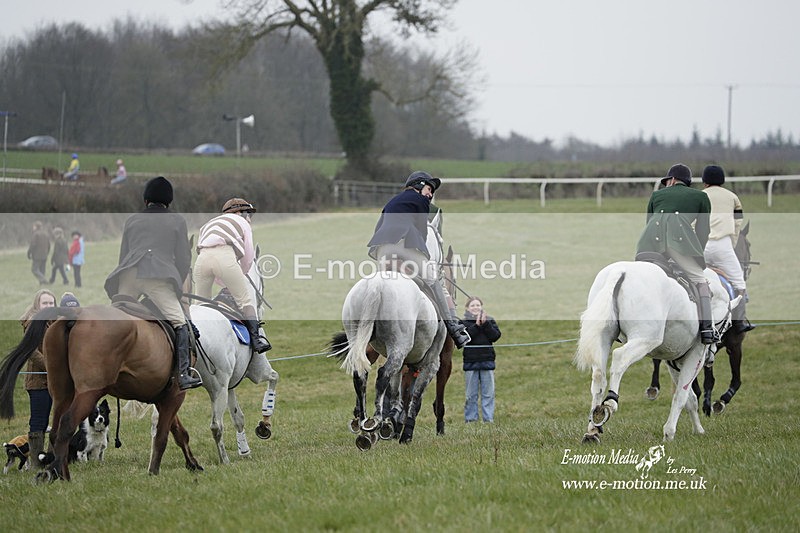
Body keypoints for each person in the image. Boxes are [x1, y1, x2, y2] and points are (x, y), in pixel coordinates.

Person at [104, 176, 201, 390]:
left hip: (129, 274)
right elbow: (183, 259)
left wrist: (124, 276)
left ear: (146, 199)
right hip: (156, 277)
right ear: (168, 201)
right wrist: (176, 283)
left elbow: (123, 255)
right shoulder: (177, 221)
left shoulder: (132, 220)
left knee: (114, 318)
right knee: (180, 322)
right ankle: (183, 374)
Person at [367, 171, 470, 349]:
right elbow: (421, 230)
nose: (430, 195)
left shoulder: (391, 201)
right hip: (404, 244)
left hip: (382, 248)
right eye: (429, 189)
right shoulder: (421, 201)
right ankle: (453, 327)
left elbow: (378, 227)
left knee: (382, 282)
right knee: (434, 281)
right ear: (419, 185)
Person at [636, 163, 716, 344]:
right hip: (680, 245)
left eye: (666, 182)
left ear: (672, 180)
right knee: (700, 280)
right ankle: (707, 329)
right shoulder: (701, 197)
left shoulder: (656, 195)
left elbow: (649, 222)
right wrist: (695, 252)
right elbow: (703, 231)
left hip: (648, 244)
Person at [194, 197, 271, 353]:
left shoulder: (209, 223)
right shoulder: (243, 223)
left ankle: (195, 344)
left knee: (200, 306)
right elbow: (248, 256)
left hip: (201, 259)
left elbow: (201, 249)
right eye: (248, 214)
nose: (249, 218)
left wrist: (222, 278)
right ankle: (257, 341)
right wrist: (239, 275)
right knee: (245, 300)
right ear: (239, 212)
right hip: (225, 256)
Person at [701, 165, 755, 333]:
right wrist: (731, 243)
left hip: (701, 245)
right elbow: (738, 223)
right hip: (722, 246)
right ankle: (739, 323)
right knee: (739, 283)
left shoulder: (699, 195)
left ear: (704, 182)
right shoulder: (732, 197)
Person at [20, 288, 56, 468]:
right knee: (38, 421)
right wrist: (52, 367)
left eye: (51, 303)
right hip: (38, 381)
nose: (48, 306)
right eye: (45, 303)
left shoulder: (53, 322)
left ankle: (50, 458)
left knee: (51, 421)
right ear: (37, 305)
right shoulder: (33, 323)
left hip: (53, 381)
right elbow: (31, 351)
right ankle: (35, 462)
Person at [461, 296, 501, 423]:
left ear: (481, 307)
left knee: (488, 394)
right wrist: (477, 326)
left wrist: (485, 324)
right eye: (472, 305)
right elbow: (463, 337)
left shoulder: (489, 320)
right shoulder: (463, 323)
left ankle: (488, 419)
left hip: (487, 361)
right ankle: (471, 420)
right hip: (470, 362)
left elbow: (495, 336)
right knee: (470, 395)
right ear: (467, 308)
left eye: (478, 305)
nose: (475, 307)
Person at [28, 221, 51, 285]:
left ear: (36, 227)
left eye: (34, 226)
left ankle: (44, 280)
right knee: (42, 270)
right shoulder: (46, 234)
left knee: (34, 269)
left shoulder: (36, 234)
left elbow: (33, 244)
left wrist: (29, 252)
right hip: (45, 254)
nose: (33, 227)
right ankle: (42, 283)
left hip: (37, 255)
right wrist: (47, 252)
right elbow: (49, 245)